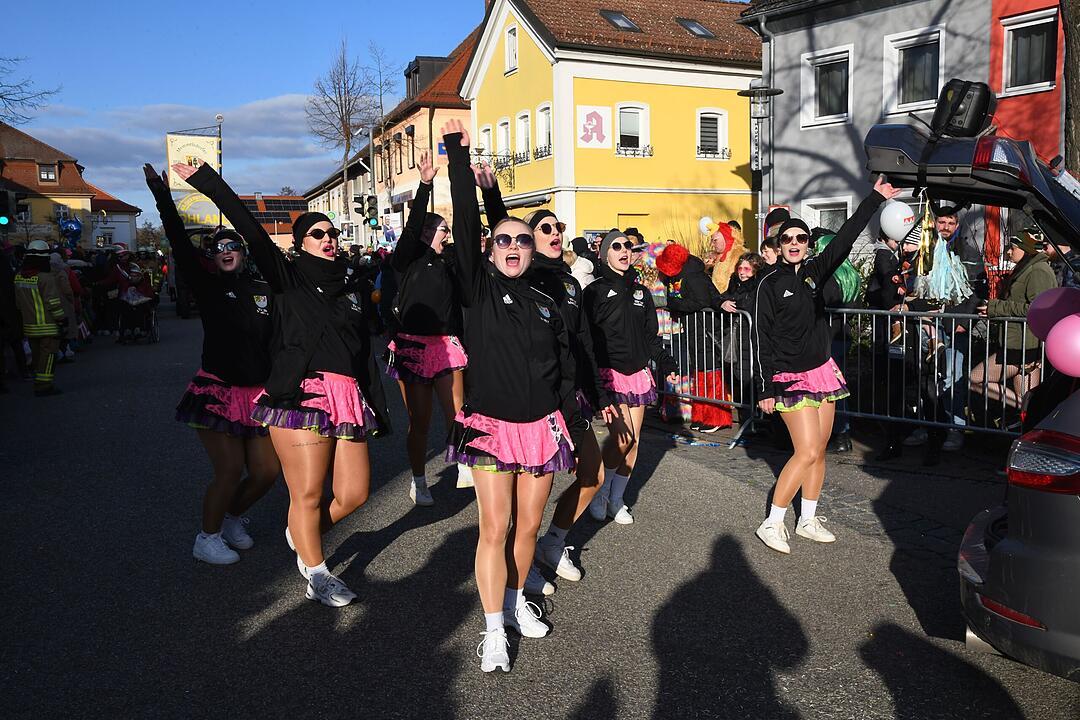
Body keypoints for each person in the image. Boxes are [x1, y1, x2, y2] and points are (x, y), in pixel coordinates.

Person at [180, 161, 392, 608]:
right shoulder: (287, 278)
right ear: (299, 244)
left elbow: (360, 354)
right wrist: (205, 180)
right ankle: (317, 572)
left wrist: (377, 406)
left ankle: (303, 532)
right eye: (318, 233)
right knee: (308, 492)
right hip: (301, 395)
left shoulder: (351, 286)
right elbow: (249, 228)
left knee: (353, 494)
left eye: (332, 233)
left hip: (347, 398)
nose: (329, 239)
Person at [439, 120, 580, 673]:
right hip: (490, 425)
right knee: (493, 527)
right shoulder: (475, 289)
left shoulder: (545, 296)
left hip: (540, 426)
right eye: (505, 239)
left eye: (524, 239)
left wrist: (568, 408)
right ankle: (493, 627)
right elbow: (469, 212)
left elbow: (564, 362)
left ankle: (518, 599)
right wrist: (459, 155)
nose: (516, 245)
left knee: (528, 526)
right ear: (489, 249)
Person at [478, 179, 617, 595]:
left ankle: (550, 545)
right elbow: (504, 234)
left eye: (558, 228)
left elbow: (584, 346)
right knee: (517, 510)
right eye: (546, 229)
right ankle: (519, 575)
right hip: (537, 397)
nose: (556, 234)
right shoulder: (525, 277)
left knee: (592, 475)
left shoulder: (571, 284)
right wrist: (490, 196)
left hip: (571, 394)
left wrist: (600, 395)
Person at [753, 176, 900, 554]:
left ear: (807, 243)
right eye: (787, 240)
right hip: (788, 374)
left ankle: (808, 518)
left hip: (822, 370)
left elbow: (846, 236)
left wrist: (875, 199)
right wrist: (766, 387)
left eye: (801, 239)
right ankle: (772, 522)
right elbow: (762, 338)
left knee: (818, 450)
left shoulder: (817, 272)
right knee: (804, 451)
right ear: (778, 245)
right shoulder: (768, 284)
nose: (795, 244)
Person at [144, 164, 280, 566]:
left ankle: (233, 518)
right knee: (229, 468)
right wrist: (162, 194)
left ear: (242, 253)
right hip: (217, 390)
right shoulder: (206, 287)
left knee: (267, 471)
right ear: (211, 257)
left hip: (258, 393)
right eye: (218, 248)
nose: (225, 252)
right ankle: (207, 537)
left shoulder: (263, 290)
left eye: (232, 247)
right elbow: (177, 240)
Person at [387, 151, 468, 506]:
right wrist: (425, 184)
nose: (446, 232)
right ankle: (419, 479)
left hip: (447, 345)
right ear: (425, 232)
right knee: (420, 422)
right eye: (441, 228)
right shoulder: (407, 257)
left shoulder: (449, 260)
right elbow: (412, 224)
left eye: (447, 228)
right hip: (413, 347)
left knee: (458, 411)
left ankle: (464, 462)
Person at [585, 230, 679, 525]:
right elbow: (585, 337)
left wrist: (666, 362)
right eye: (617, 246)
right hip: (610, 373)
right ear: (605, 254)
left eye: (628, 246)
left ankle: (616, 498)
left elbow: (651, 336)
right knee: (621, 439)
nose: (624, 251)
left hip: (637, 372)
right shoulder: (595, 292)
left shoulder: (642, 292)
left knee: (634, 440)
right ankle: (599, 492)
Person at [970, 231, 1057, 412]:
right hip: (1019, 343)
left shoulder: (1038, 270)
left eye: (1013, 248)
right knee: (1026, 401)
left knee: (975, 379)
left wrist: (996, 308)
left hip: (1025, 345)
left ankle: (1030, 412)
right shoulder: (1027, 268)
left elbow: (1037, 309)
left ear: (1026, 249)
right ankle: (1029, 415)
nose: (1008, 252)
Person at [656, 242, 731, 433]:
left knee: (710, 370)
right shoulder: (678, 275)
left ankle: (717, 416)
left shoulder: (694, 276)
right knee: (699, 371)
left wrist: (674, 304)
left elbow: (701, 301)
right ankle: (701, 414)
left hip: (704, 327)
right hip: (692, 328)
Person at [14, 240, 66, 396]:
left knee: (37, 357)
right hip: (48, 325)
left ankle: (38, 381)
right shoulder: (45, 278)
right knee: (48, 356)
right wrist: (62, 319)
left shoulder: (18, 277)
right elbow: (53, 302)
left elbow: (18, 303)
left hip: (29, 325)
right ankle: (44, 386)